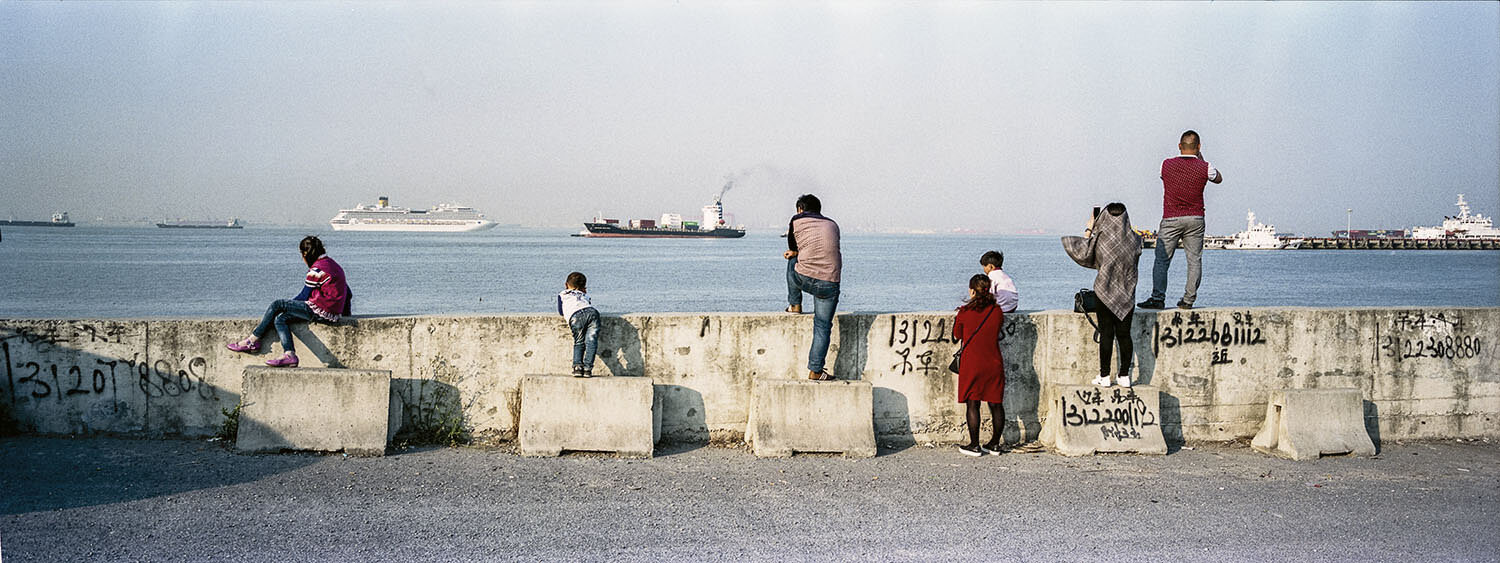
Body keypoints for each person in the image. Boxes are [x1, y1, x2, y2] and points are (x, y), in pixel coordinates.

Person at [227, 236, 352, 367]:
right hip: (333, 313)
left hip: (320, 310)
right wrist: (344, 315)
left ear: (305, 254)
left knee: (278, 304)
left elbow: (304, 296)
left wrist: (287, 306)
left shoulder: (316, 270)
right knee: (280, 319)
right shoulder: (333, 265)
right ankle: (289, 355)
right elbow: (348, 293)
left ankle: (252, 340)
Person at [1139, 130, 1223, 310]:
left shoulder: (1166, 165)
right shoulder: (1205, 166)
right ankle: (1188, 300)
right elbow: (1219, 179)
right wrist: (1200, 160)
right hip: (1195, 218)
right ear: (1199, 147)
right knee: (1194, 260)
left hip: (1171, 217)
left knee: (1162, 260)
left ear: (1179, 146)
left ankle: (1158, 298)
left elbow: (1165, 178)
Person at [1063, 203, 1143, 387]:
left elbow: (1083, 251)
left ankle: (1104, 376)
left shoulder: (1100, 238)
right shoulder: (1136, 240)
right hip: (1127, 292)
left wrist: (1090, 227)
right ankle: (1124, 376)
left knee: (1106, 334)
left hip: (1104, 291)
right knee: (1124, 334)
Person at [783, 194, 841, 381]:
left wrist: (796, 252)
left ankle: (795, 305)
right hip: (829, 282)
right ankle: (816, 370)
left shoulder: (797, 220)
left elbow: (793, 246)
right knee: (823, 326)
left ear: (800, 209)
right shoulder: (832, 224)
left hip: (804, 278)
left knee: (792, 260)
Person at [951, 274, 1006, 456]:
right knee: (996, 404)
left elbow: (958, 334)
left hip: (972, 363)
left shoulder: (965, 312)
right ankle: (995, 444)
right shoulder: (996, 311)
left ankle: (974, 445)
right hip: (994, 362)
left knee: (972, 403)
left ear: (972, 290)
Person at [557, 272, 599, 378]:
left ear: (566, 284)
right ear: (584, 287)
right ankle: (588, 368)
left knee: (579, 342)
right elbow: (587, 303)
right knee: (591, 341)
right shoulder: (585, 295)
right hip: (592, 312)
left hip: (576, 316)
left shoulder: (563, 294)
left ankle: (578, 367)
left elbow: (561, 311)